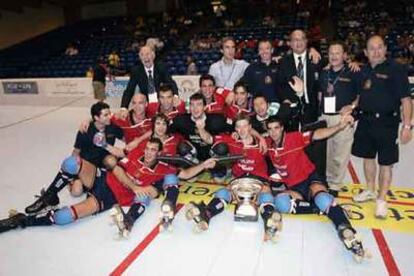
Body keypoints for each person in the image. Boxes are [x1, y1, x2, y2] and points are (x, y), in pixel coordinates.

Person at [0, 139, 217, 235]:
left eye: (153, 150)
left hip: (108, 198)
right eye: (148, 149)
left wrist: (204, 165)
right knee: (71, 163)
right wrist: (133, 186)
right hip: (102, 179)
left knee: (63, 218)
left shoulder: (163, 170)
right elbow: (117, 170)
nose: (149, 152)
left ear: (158, 153)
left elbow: (186, 174)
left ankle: (21, 221)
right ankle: (49, 196)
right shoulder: (134, 155)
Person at [266, 116, 370, 260]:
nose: (273, 132)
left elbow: (318, 134)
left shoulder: (294, 138)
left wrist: (339, 126)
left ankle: (346, 229)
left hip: (310, 180)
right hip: (295, 188)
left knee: (321, 197)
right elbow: (251, 138)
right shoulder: (268, 145)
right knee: (281, 203)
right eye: (270, 129)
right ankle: (322, 208)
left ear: (282, 128)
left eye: (276, 128)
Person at [185, 115, 282, 242]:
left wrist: (260, 137)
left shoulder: (263, 142)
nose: (242, 130)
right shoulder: (232, 141)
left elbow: (276, 138)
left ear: (250, 127)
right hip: (239, 181)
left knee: (266, 195)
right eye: (238, 126)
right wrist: (201, 129)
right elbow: (209, 139)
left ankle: (270, 223)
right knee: (223, 192)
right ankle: (206, 215)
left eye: (245, 126)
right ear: (235, 129)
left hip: (258, 181)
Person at [24, 102, 124, 215]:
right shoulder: (85, 130)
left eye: (109, 113)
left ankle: (60, 191)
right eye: (105, 115)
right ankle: (50, 196)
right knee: (76, 191)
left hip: (101, 168)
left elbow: (126, 138)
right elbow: (76, 152)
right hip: (85, 166)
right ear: (96, 117)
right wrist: (70, 171)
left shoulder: (112, 127)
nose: (109, 116)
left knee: (111, 161)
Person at [351, 35, 413, 219]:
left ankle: (382, 199)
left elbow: (406, 100)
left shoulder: (396, 69)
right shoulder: (363, 71)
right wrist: (353, 107)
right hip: (366, 122)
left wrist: (407, 126)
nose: (376, 51)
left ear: (385, 49)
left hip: (387, 123)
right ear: (366, 52)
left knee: (386, 163)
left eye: (379, 47)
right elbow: (361, 96)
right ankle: (370, 190)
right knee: (368, 158)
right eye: (372, 48)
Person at [319, 41, 360, 191]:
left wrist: (352, 106)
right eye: (331, 53)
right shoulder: (324, 72)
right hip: (324, 117)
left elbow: (361, 94)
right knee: (327, 153)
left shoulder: (353, 71)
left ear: (344, 55)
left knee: (340, 154)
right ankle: (327, 181)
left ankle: (335, 185)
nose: (334, 56)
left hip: (342, 117)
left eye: (337, 53)